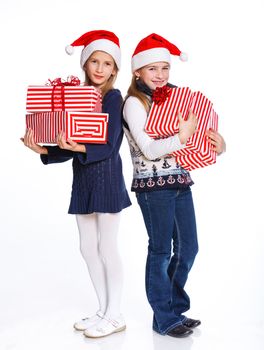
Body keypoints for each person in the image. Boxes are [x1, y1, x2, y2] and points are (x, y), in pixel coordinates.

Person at [22, 30, 131, 338]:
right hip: (83, 179)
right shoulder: (78, 97)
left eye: (106, 63)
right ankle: (102, 309)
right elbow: (70, 142)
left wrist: (75, 148)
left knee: (107, 247)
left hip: (107, 177)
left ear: (114, 69)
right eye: (94, 61)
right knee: (87, 247)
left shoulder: (112, 97)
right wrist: (43, 150)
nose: (99, 68)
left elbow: (109, 144)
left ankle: (115, 313)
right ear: (85, 64)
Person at [122, 33, 226, 338]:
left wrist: (218, 145)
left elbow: (199, 133)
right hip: (153, 186)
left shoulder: (179, 96)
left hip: (181, 180)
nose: (160, 75)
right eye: (152, 69)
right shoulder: (133, 104)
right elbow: (148, 149)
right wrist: (180, 136)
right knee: (160, 251)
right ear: (137, 71)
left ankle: (174, 309)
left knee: (189, 247)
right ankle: (164, 317)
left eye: (165, 68)